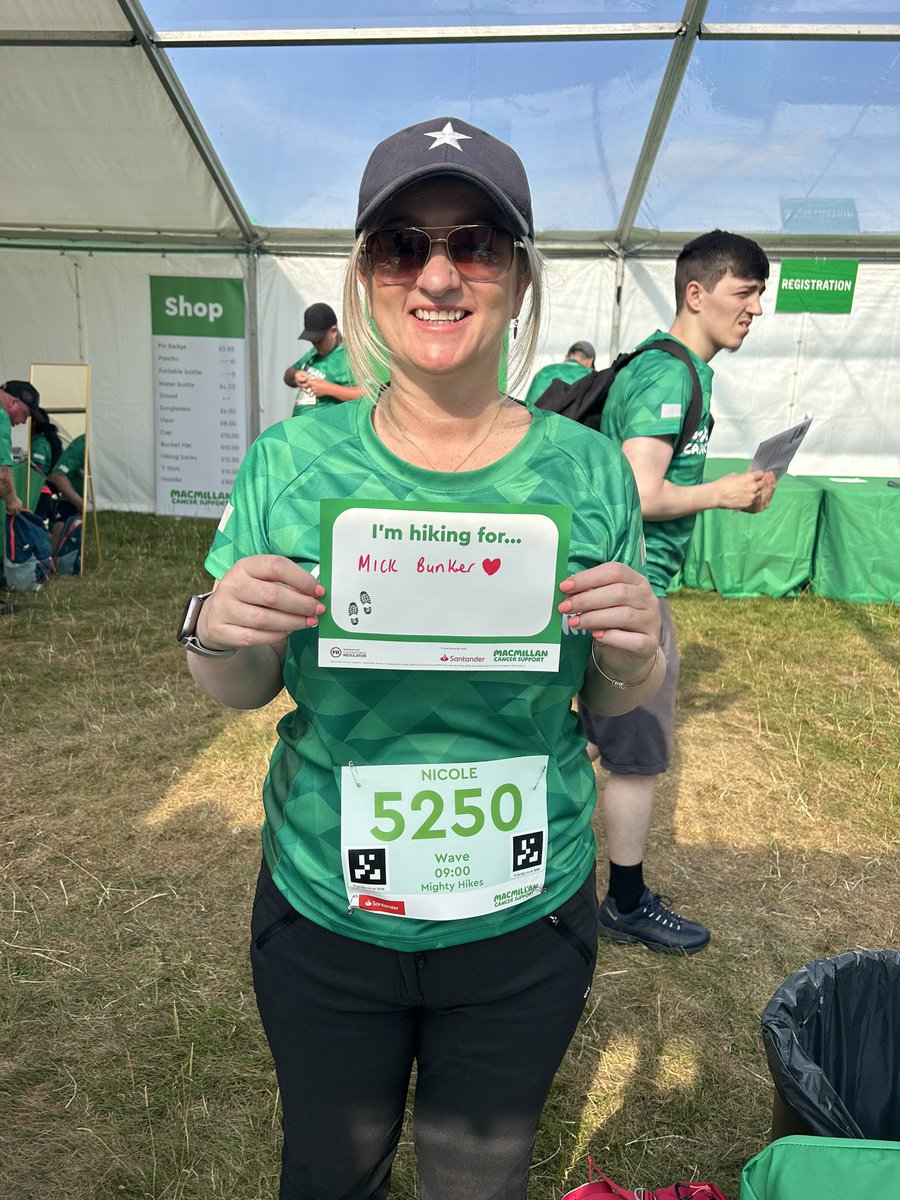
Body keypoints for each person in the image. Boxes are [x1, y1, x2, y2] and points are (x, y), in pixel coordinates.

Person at [182, 115, 665, 1200]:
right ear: (365, 273)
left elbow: (613, 689)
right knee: (329, 1169)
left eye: (474, 243)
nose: (437, 274)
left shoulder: (589, 473)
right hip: (326, 909)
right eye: (403, 243)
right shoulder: (292, 460)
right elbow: (240, 688)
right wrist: (217, 629)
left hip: (522, 915)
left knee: (478, 1183)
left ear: (520, 277)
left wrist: (640, 645)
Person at [578, 229, 776, 956]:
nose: (756, 308)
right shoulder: (669, 375)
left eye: (760, 293)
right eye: (743, 291)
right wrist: (721, 492)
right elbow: (638, 493)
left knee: (587, 739)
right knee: (637, 751)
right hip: (630, 588)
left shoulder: (680, 370)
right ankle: (623, 902)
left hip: (607, 583)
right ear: (696, 293)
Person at [283, 301, 366, 413]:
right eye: (312, 340)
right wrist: (296, 375)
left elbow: (368, 395)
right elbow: (287, 375)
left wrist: (328, 389)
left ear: (333, 331)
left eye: (318, 340)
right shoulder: (314, 352)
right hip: (299, 425)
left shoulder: (351, 355)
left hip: (324, 427)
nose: (315, 344)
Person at [0, 380, 42, 521]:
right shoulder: (1, 417)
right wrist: (13, 501)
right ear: (14, 403)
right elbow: (2, 471)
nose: (24, 422)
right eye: (25, 414)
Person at [523, 339, 596, 407]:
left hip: (536, 419)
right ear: (590, 361)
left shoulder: (544, 371)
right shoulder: (593, 377)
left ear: (566, 357)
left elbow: (527, 407)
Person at [47, 432, 86, 551]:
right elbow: (58, 476)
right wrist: (80, 504)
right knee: (60, 527)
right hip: (73, 502)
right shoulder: (83, 442)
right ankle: (52, 565)